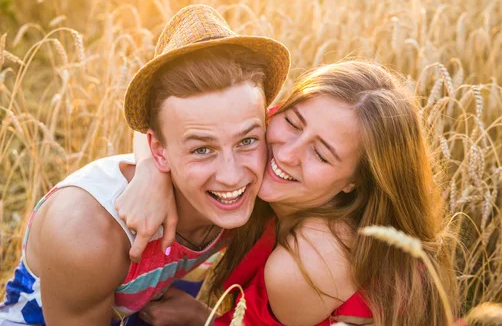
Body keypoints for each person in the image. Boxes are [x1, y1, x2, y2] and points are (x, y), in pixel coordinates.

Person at [0, 4, 290, 326]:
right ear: (159, 150)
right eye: (202, 149)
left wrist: (202, 318)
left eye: (247, 141)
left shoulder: (270, 181)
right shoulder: (90, 237)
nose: (232, 175)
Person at [117, 61, 458, 326]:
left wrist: (199, 318)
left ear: (353, 182)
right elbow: (162, 110)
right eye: (293, 123)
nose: (287, 152)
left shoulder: (307, 261)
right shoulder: (263, 132)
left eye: (321, 154)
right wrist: (150, 173)